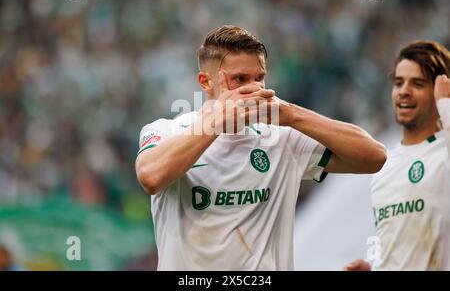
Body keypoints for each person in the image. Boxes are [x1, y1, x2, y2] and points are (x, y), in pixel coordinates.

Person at [135, 25, 386, 270]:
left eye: (260, 78)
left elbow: (373, 157)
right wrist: (216, 123)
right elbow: (151, 177)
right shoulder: (167, 131)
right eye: (239, 79)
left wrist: (292, 115)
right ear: (206, 82)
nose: (254, 88)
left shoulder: (283, 138)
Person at [343, 40, 450, 271]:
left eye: (418, 84)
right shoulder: (385, 168)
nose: (404, 91)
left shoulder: (444, 153)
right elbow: (397, 245)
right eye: (398, 83)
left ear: (440, 91)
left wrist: (446, 105)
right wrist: (374, 267)